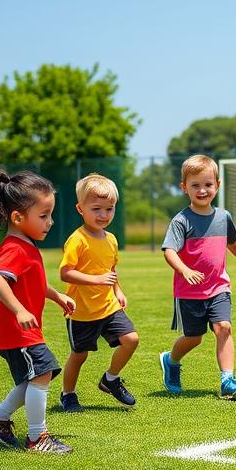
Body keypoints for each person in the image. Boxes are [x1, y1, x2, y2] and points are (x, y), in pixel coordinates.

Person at [0, 169, 76, 454]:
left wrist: (56, 296)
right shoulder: (14, 248)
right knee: (43, 371)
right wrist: (19, 310)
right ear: (17, 218)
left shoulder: (27, 246)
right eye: (43, 215)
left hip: (22, 327)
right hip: (15, 328)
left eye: (51, 214)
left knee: (35, 376)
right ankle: (38, 438)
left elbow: (35, 282)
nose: (50, 222)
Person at [159, 154, 236, 399]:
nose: (202, 190)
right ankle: (171, 361)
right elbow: (169, 250)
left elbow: (233, 242)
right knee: (194, 338)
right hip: (189, 292)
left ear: (217, 185)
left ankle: (228, 381)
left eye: (208, 184)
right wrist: (185, 270)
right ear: (184, 188)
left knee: (224, 328)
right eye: (195, 185)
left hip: (219, 288)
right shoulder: (181, 220)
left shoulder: (224, 217)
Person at [58, 173, 139, 411]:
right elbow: (65, 273)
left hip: (108, 307)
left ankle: (111, 379)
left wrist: (118, 289)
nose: (104, 215)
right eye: (96, 209)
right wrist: (96, 279)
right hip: (81, 311)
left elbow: (110, 270)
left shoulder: (111, 239)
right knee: (79, 355)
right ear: (80, 208)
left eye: (110, 209)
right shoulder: (77, 240)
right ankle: (68, 394)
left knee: (131, 339)